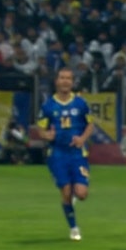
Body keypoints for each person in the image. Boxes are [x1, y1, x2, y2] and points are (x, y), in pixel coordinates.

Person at [37, 67, 94, 241]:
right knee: (66, 192)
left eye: (68, 78)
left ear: (72, 82)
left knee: (82, 194)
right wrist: (48, 135)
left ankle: (72, 200)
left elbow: (90, 124)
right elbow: (40, 130)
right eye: (62, 78)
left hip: (77, 153)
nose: (65, 81)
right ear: (57, 81)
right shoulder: (48, 105)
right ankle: (74, 228)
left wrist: (82, 138)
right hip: (57, 154)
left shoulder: (80, 103)